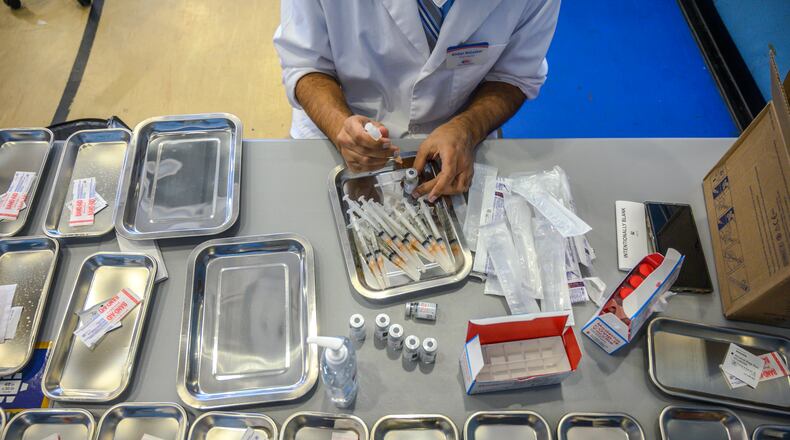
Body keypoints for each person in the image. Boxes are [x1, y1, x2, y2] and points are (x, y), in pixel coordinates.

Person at [274, 0, 560, 201]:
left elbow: (514, 75)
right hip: (338, 128)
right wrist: (341, 127)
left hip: (458, 141)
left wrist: (468, 128)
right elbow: (307, 65)